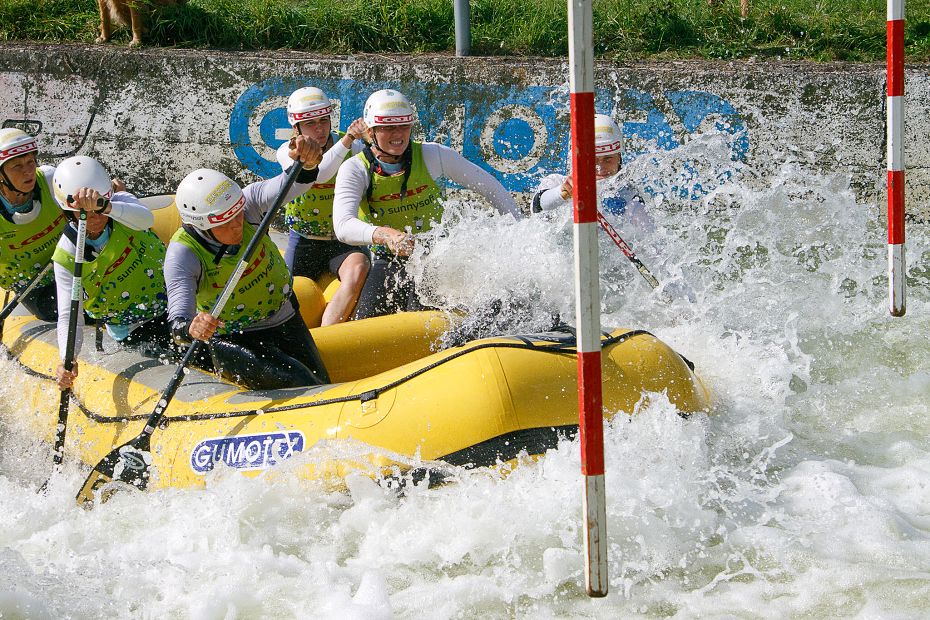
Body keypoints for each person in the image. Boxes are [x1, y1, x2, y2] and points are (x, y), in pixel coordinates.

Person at [333, 89, 521, 319]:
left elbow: (491, 188)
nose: (398, 135)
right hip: (387, 258)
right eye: (389, 127)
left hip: (435, 260)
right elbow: (342, 226)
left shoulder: (434, 155)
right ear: (371, 132)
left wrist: (519, 231)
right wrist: (388, 236)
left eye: (404, 126)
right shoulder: (355, 168)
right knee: (365, 321)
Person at [164, 134, 331, 390]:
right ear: (200, 227)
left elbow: (294, 182)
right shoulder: (183, 254)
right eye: (224, 223)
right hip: (235, 339)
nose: (237, 226)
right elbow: (178, 322)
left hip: (283, 318)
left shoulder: (247, 203)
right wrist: (193, 327)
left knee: (322, 384)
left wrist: (307, 162)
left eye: (237, 216)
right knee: (302, 384)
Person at [51, 156, 170, 390]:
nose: (94, 218)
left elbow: (146, 219)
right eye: (84, 213)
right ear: (68, 211)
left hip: (174, 309)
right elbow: (69, 315)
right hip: (135, 331)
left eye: (99, 208)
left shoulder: (122, 204)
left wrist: (104, 205)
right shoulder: (66, 256)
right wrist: (68, 358)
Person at [275, 86, 370, 325]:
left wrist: (373, 140)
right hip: (304, 239)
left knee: (359, 269)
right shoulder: (286, 152)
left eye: (323, 120)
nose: (319, 129)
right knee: (282, 294)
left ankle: (326, 338)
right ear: (296, 128)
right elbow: (321, 172)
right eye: (310, 123)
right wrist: (349, 139)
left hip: (343, 242)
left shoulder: (354, 147)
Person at [531, 113, 654, 233]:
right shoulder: (555, 182)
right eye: (592, 160)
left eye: (608, 159)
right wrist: (563, 193)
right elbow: (539, 206)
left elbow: (649, 239)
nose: (600, 168)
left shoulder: (629, 197)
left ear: (619, 159)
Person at [0, 128, 66, 321]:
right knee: (54, 308)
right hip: (36, 287)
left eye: (30, 162)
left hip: (73, 268)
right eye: (16, 166)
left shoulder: (50, 179)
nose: (28, 171)